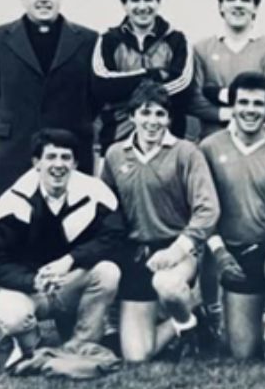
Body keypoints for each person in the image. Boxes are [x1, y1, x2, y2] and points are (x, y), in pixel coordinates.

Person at [100, 82, 220, 362]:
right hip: (138, 255)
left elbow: (207, 210)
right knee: (137, 356)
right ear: (132, 117)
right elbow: (106, 208)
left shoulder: (186, 152)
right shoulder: (115, 154)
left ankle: (187, 319)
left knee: (167, 285)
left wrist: (176, 250)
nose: (152, 121)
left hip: (177, 251)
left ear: (168, 118)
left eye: (159, 114)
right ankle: (191, 319)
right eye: (145, 113)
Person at [198, 72, 265, 359]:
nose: (249, 110)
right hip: (231, 250)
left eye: (258, 104)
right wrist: (219, 252)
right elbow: (202, 209)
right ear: (232, 106)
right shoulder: (209, 147)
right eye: (242, 102)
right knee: (244, 354)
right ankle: (240, 316)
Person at [0, 129, 123, 369]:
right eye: (51, 157)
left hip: (67, 284)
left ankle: (80, 346)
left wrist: (71, 259)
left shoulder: (94, 193)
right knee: (16, 319)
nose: (58, 165)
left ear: (75, 163)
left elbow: (114, 237)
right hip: (25, 289)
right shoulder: (12, 201)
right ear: (37, 163)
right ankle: (27, 345)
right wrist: (32, 280)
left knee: (108, 271)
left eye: (66, 158)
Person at [0, 0, 98, 192]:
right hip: (12, 150)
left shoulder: (88, 40)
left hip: (70, 150)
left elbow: (95, 97)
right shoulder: (1, 39)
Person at [92, 0, 195, 150]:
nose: (142, 6)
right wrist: (153, 74)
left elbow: (183, 87)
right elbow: (101, 87)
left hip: (167, 141)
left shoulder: (176, 40)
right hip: (117, 139)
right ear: (124, 4)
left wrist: (127, 89)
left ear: (158, 2)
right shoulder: (108, 40)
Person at [188, 0, 265, 139]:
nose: (238, 5)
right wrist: (228, 113)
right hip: (212, 140)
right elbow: (194, 99)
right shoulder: (201, 49)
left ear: (255, 7)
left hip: (259, 141)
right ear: (220, 6)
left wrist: (218, 94)